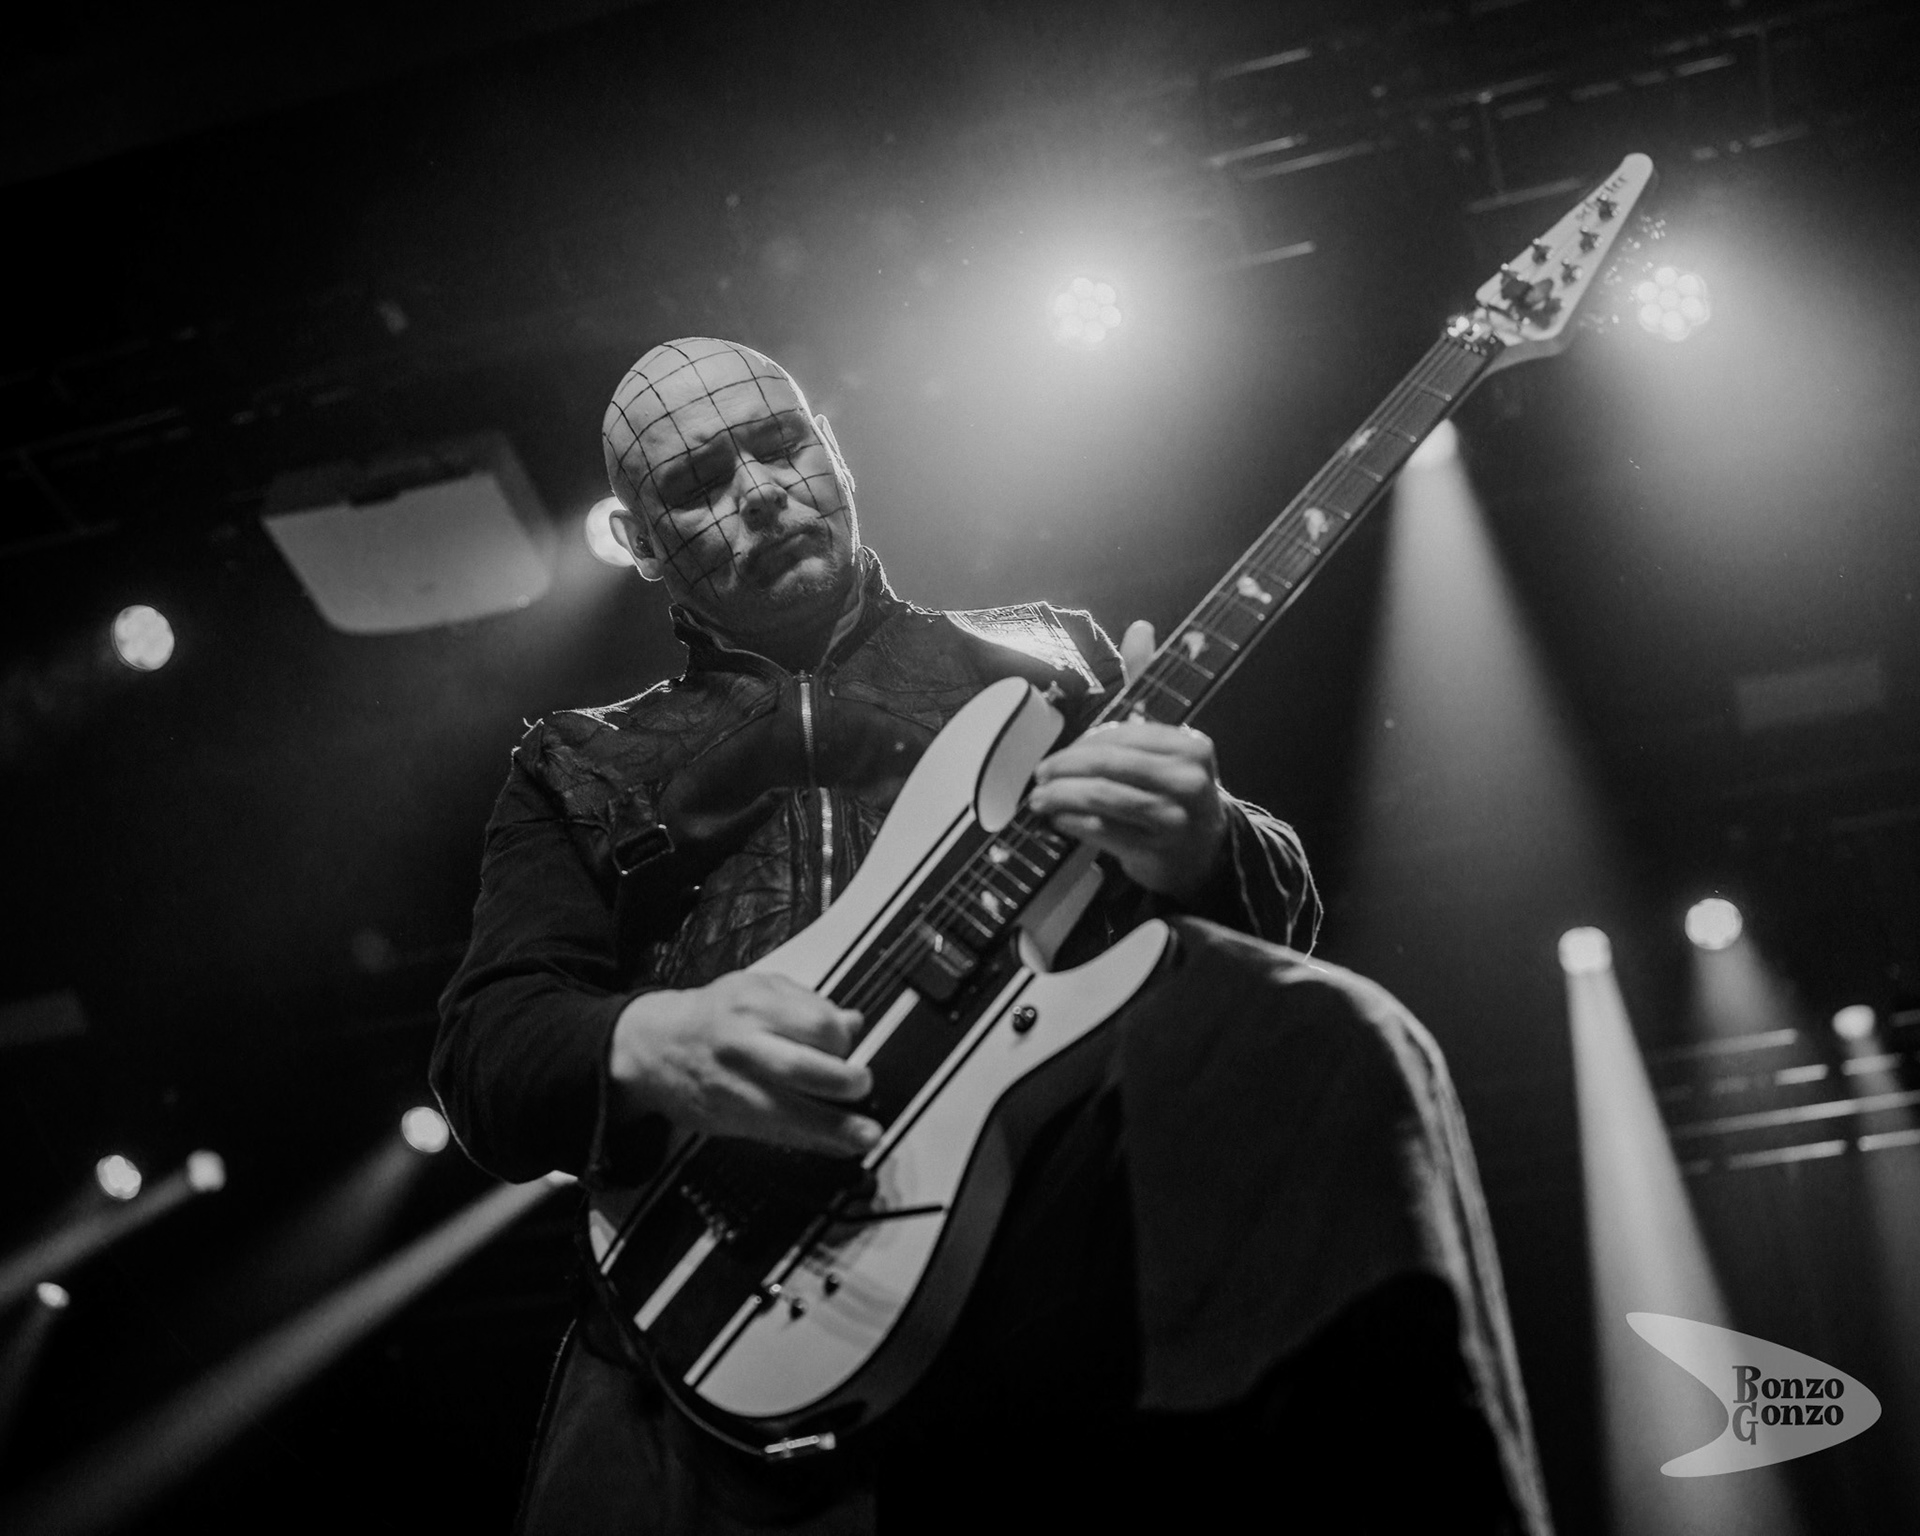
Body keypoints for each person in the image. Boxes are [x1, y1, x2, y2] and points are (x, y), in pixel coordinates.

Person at [433, 337, 1553, 1534]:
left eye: (780, 445)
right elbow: (487, 1047)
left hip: (1041, 1282)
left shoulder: (1045, 658)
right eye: (702, 481)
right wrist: (650, 1042)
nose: (760, 491)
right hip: (699, 1326)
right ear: (640, 543)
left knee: (1331, 1033)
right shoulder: (579, 760)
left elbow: (1272, 917)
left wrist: (1206, 841)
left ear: (836, 454)